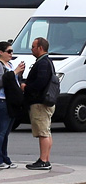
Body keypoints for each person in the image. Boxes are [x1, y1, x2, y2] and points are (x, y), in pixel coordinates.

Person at [19, 36, 55, 170]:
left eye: (33, 47)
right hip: (45, 102)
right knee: (46, 131)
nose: (31, 49)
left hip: (40, 103)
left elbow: (40, 82)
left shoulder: (43, 63)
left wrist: (26, 87)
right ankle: (46, 159)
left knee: (43, 132)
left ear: (40, 48)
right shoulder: (46, 61)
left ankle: (43, 160)